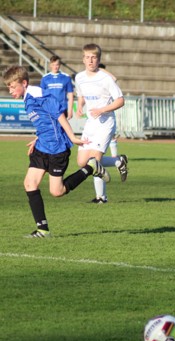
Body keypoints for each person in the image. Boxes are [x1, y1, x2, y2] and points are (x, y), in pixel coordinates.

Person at [2, 65, 110, 238]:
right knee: (29, 184)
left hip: (57, 149)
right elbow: (45, 120)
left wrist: (73, 137)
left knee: (57, 192)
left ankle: (91, 167)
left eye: (13, 86)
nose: (10, 90)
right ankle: (43, 229)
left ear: (24, 82)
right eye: (8, 87)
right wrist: (38, 137)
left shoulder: (36, 93)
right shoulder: (27, 97)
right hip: (42, 147)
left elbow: (58, 114)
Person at [75, 44, 128, 204]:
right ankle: (118, 161)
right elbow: (81, 95)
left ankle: (101, 198)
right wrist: (79, 107)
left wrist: (102, 109)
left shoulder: (105, 79)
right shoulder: (79, 77)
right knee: (82, 162)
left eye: (93, 57)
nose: (90, 60)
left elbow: (120, 100)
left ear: (98, 59)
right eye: (87, 57)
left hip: (106, 123)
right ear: (83, 59)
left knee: (93, 161)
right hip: (91, 123)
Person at [40, 55, 74, 120]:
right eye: (53, 65)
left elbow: (70, 95)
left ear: (60, 65)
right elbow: (41, 95)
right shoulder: (45, 78)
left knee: (62, 128)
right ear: (50, 65)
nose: (55, 67)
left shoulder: (66, 77)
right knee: (51, 129)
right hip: (49, 109)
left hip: (62, 109)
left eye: (57, 65)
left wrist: (70, 111)